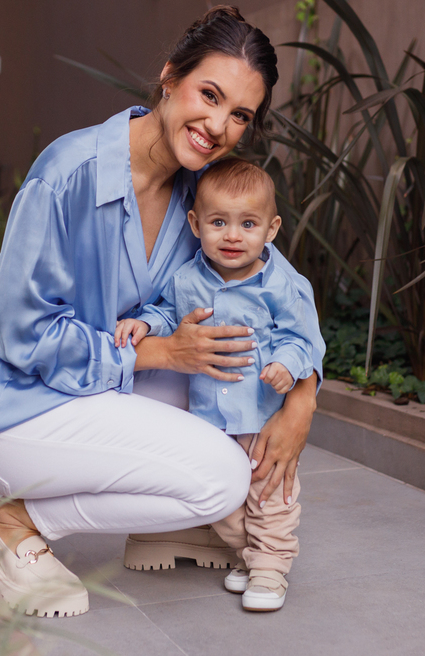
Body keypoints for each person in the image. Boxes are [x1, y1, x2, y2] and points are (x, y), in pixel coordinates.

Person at [0, 6, 324, 618]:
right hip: (15, 406)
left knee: (228, 370)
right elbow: (23, 334)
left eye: (239, 115)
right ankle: (12, 521)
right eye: (208, 94)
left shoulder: (200, 194)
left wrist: (303, 399)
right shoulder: (67, 172)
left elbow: (274, 287)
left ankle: (176, 526)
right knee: (221, 478)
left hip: (100, 388)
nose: (217, 125)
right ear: (168, 77)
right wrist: (156, 351)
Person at [114, 159, 321, 612]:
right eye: (219, 222)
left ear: (271, 229)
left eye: (248, 224)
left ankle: (270, 567)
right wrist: (145, 324)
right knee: (222, 496)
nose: (232, 235)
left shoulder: (278, 286)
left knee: (269, 494)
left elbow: (299, 337)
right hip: (208, 418)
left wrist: (288, 364)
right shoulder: (187, 278)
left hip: (260, 416)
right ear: (196, 223)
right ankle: (251, 556)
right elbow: (168, 311)